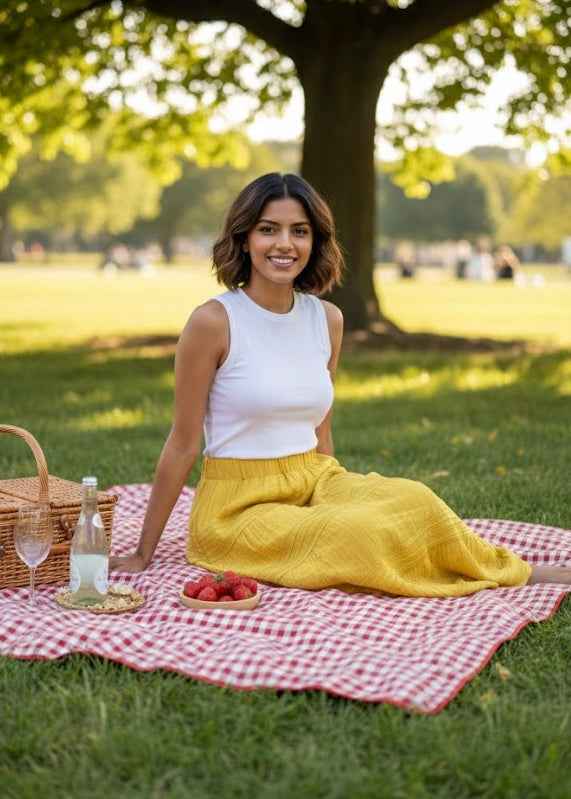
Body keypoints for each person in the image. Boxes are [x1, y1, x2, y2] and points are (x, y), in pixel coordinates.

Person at [110, 173, 571, 593]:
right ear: (244, 238)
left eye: (300, 231)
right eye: (268, 229)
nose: (284, 243)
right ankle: (493, 576)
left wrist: (338, 499)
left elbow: (321, 432)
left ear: (315, 241)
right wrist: (142, 552)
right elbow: (182, 444)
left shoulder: (327, 319)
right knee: (354, 534)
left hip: (314, 478)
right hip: (237, 509)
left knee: (415, 499)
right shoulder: (214, 321)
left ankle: (509, 569)